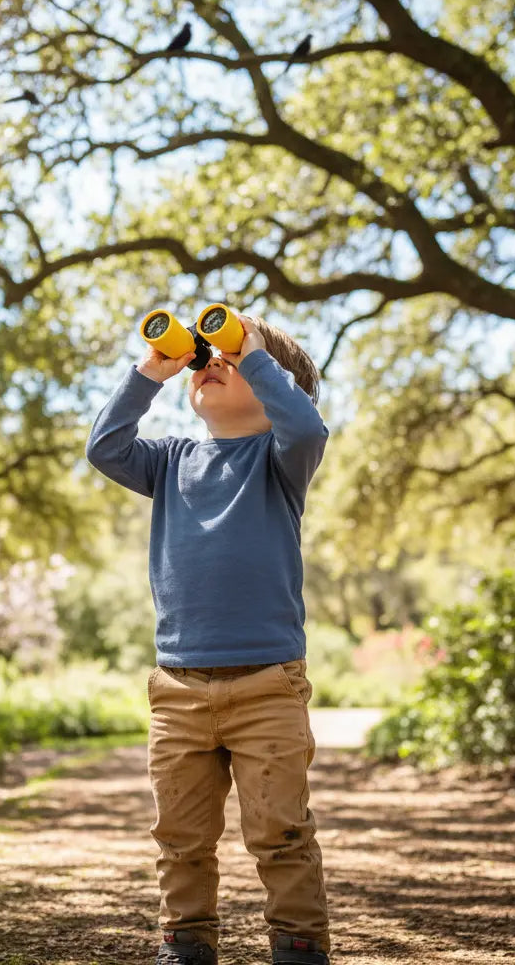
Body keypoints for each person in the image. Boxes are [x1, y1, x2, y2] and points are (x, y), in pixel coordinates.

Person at [85, 308, 332, 965]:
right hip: (178, 687)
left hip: (267, 685)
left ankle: (299, 946)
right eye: (206, 358)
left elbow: (308, 424)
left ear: (274, 382)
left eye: (231, 358)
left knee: (280, 832)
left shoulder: (282, 458)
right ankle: (186, 943)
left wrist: (253, 350)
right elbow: (104, 447)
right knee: (180, 835)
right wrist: (152, 371)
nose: (210, 364)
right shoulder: (169, 460)